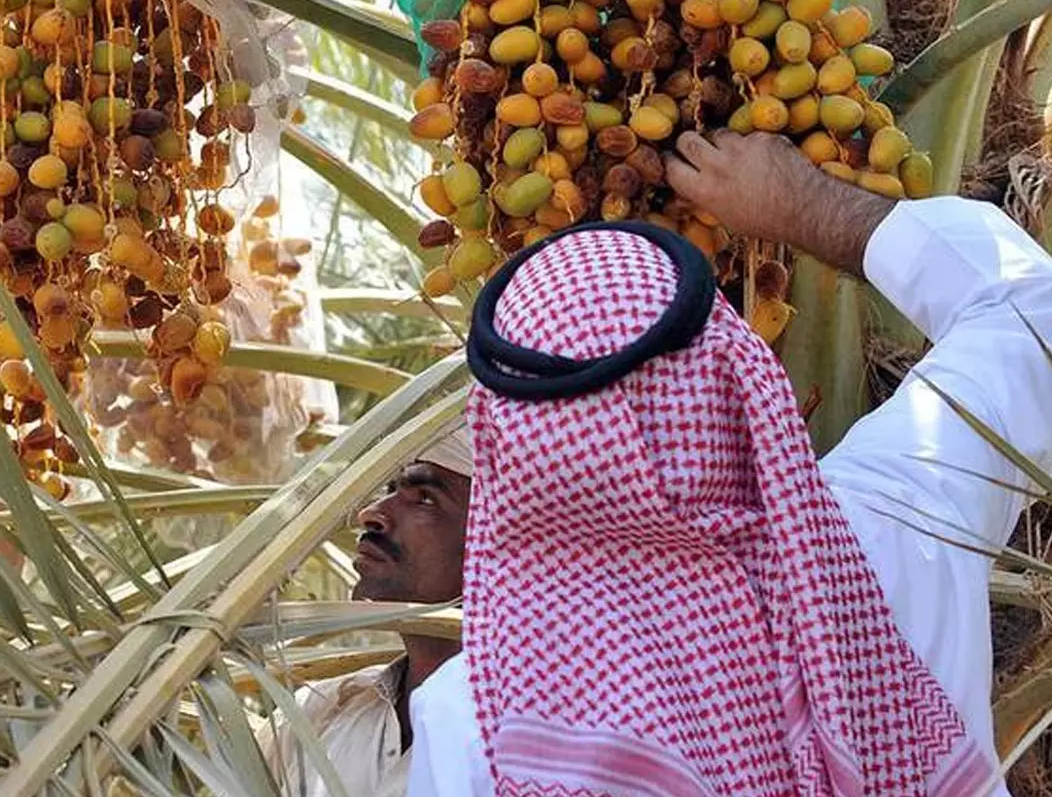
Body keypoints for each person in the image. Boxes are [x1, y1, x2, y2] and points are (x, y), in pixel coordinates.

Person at [406, 130, 1052, 797]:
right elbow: (1032, 321)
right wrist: (805, 204)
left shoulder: (476, 720)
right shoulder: (895, 523)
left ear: (508, 438)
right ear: (734, 371)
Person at [257, 426, 473, 797]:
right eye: (390, 490)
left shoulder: (539, 747)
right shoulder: (318, 714)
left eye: (424, 498)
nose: (371, 514)